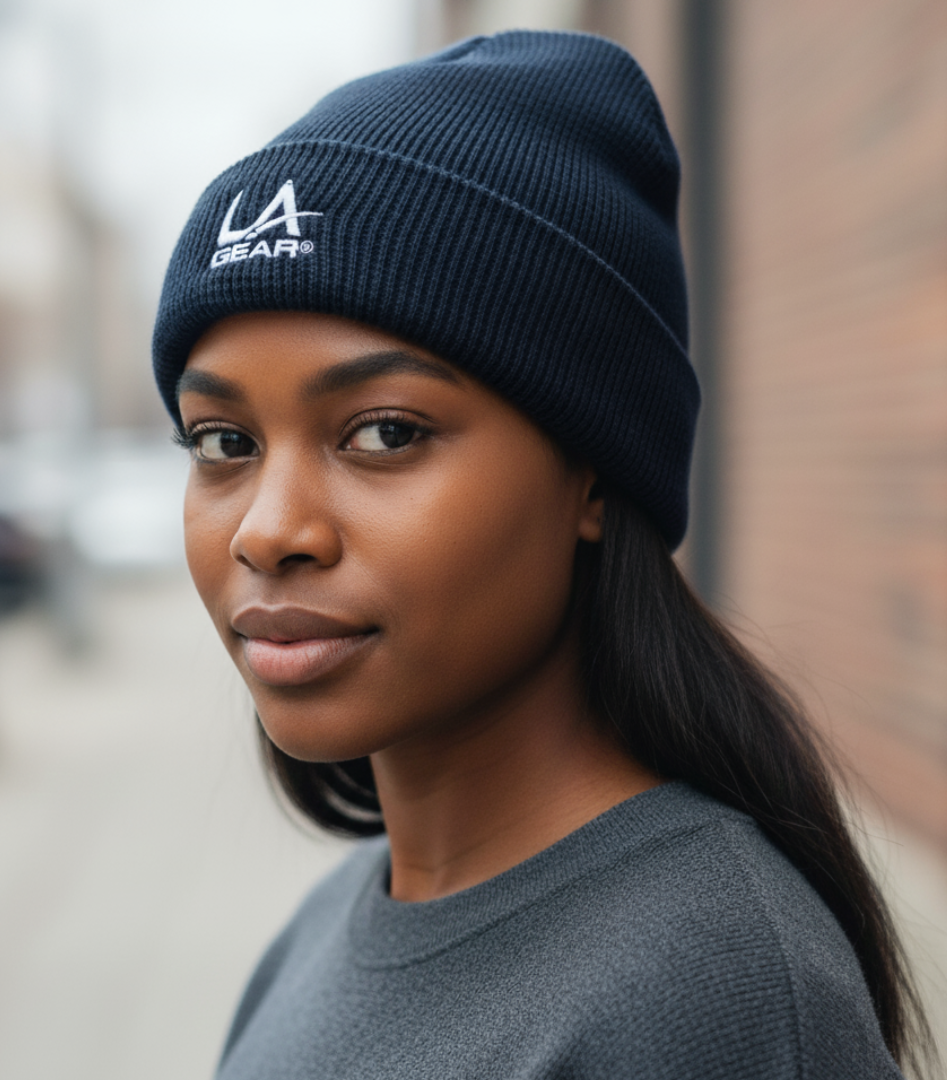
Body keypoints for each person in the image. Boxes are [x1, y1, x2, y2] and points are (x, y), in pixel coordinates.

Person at [151, 30, 935, 1080]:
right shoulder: (327, 929)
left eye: (384, 432)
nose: (267, 529)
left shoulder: (702, 991)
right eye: (224, 444)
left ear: (594, 478)